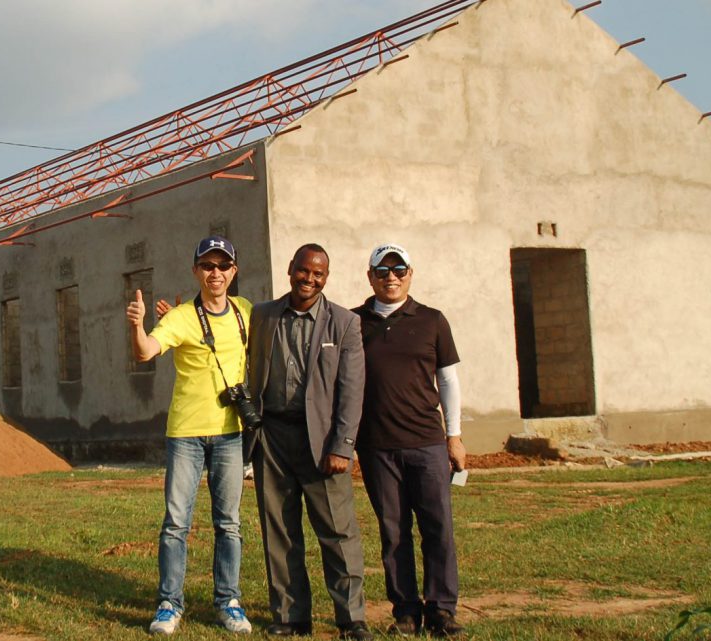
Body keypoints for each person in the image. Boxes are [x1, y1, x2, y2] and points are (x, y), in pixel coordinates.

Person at [126, 235, 254, 635]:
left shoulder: (245, 312)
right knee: (176, 523)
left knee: (229, 523)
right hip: (186, 434)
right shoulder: (181, 317)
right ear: (195, 270)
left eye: (223, 266)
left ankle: (228, 601)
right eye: (207, 266)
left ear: (233, 271)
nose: (215, 273)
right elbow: (146, 351)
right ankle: (169, 604)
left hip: (230, 433)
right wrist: (137, 325)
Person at [246, 244, 373, 640]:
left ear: (326, 278)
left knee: (337, 533)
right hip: (274, 438)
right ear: (290, 270)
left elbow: (352, 390)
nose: (310, 279)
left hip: (322, 442)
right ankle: (289, 617)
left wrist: (343, 445)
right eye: (304, 271)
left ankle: (351, 619)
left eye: (318, 274)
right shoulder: (263, 315)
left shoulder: (344, 323)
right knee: (280, 532)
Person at [351, 244, 466, 638]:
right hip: (376, 445)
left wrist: (455, 436)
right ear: (370, 278)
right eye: (382, 272)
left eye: (398, 269)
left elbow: (448, 380)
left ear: (410, 273)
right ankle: (405, 612)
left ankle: (441, 610)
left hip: (427, 443)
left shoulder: (432, 320)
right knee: (393, 531)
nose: (391, 277)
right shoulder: (353, 322)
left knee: (438, 527)